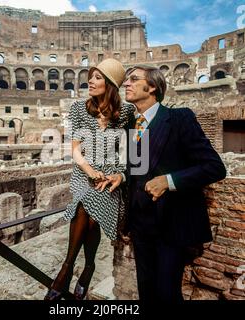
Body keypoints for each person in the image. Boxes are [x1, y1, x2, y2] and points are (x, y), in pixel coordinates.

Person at [103, 65, 226, 302]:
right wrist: (123, 176)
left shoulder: (180, 118)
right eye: (126, 80)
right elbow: (138, 168)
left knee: (167, 293)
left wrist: (169, 181)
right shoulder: (133, 126)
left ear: (152, 87)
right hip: (140, 224)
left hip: (171, 223)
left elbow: (214, 167)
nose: (126, 84)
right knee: (146, 291)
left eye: (134, 79)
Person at [44, 58, 135, 300]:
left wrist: (120, 175)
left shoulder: (126, 112)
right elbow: (74, 149)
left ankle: (85, 267)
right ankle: (70, 266)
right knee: (85, 204)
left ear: (111, 84)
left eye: (97, 77)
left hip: (111, 174)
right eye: (90, 76)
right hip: (84, 171)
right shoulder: (78, 109)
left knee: (90, 215)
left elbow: (131, 154)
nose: (90, 81)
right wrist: (89, 171)